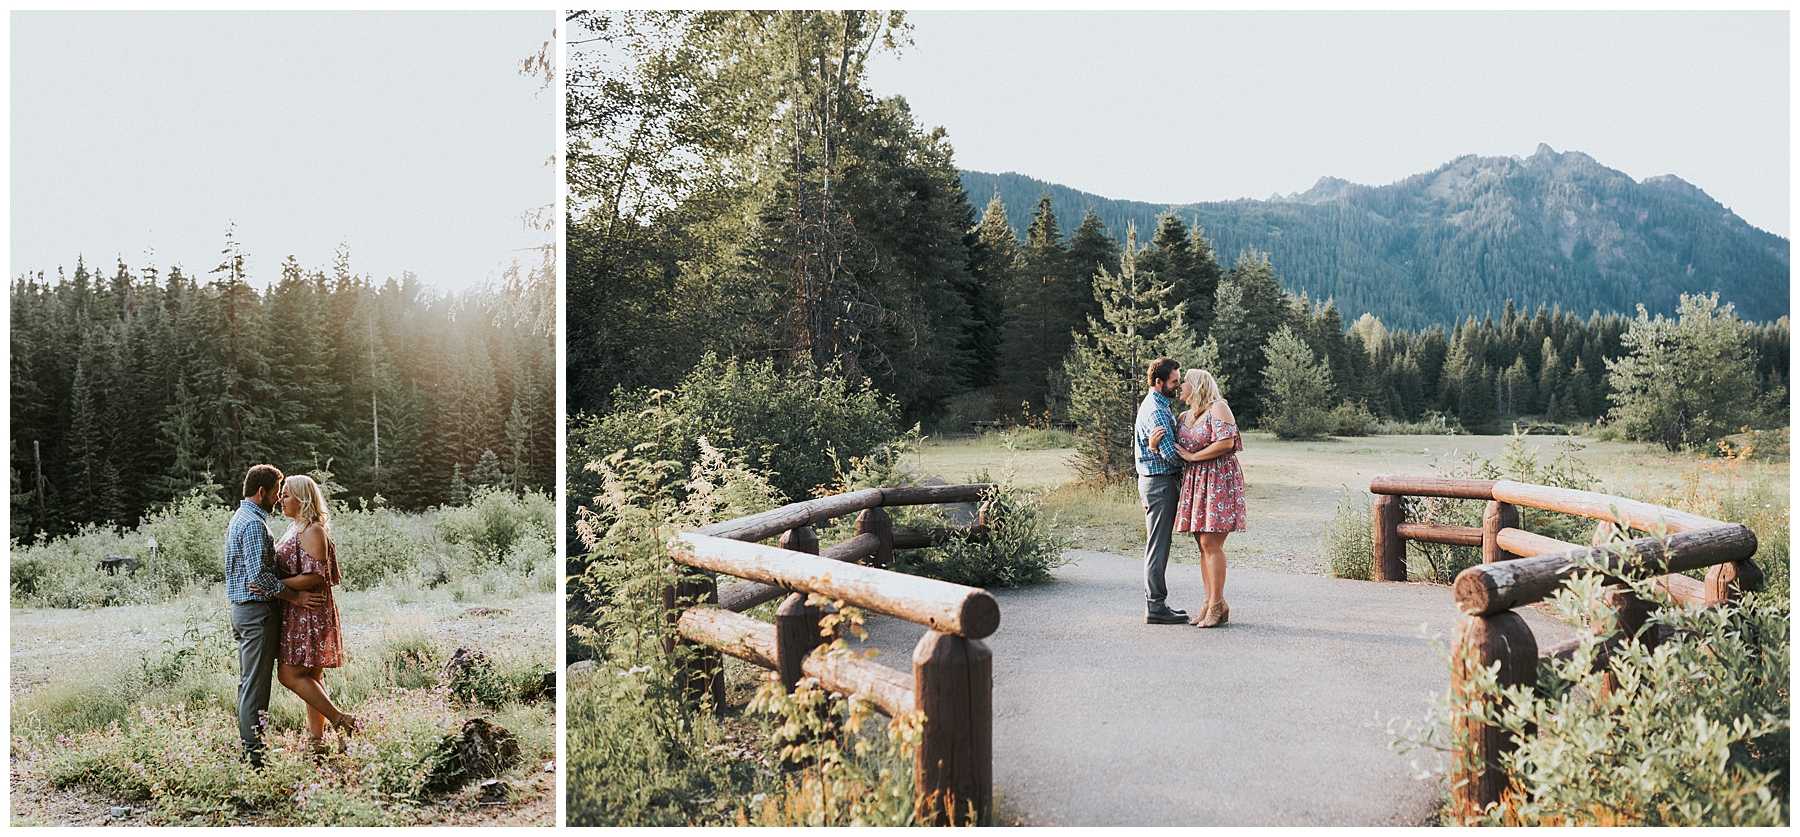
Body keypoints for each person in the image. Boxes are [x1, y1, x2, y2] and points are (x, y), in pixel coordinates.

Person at [226, 465, 319, 767]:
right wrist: (296, 596)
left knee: (249, 682)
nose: (279, 499)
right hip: (256, 613)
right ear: (262, 492)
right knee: (255, 685)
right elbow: (260, 579)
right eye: (277, 492)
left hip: (247, 611)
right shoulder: (253, 524)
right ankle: (254, 758)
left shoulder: (242, 517)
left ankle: (252, 750)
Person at [264, 474, 358, 754]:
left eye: (287, 495)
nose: (281, 499)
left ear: (303, 499)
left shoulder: (313, 530)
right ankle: (318, 742)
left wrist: (273, 586)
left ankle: (341, 720)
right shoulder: (294, 528)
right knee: (312, 678)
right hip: (297, 608)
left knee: (289, 675)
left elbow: (315, 576)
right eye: (281, 495)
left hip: (310, 610)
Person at [1151, 369, 1245, 627]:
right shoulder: (1184, 416)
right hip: (1196, 483)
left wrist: (1193, 457)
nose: (1180, 385)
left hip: (1218, 480)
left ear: (1198, 385)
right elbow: (1171, 445)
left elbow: (1226, 443)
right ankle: (1211, 603)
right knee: (1202, 545)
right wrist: (1152, 445)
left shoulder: (1219, 408)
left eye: (1184, 382)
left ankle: (1216, 605)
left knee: (1212, 544)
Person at [1134, 357, 1190, 624]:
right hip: (1159, 483)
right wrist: (1199, 460)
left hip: (1157, 482)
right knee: (1158, 546)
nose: (1178, 386)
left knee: (1158, 544)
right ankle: (1155, 606)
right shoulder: (1156, 410)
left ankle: (1157, 603)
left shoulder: (1158, 404)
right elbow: (1171, 455)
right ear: (1159, 382)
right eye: (1174, 381)